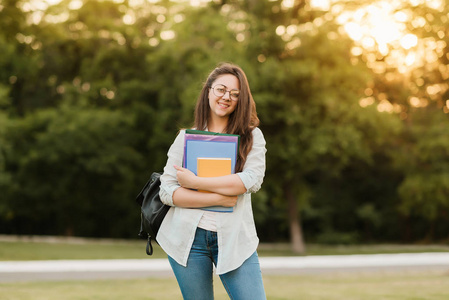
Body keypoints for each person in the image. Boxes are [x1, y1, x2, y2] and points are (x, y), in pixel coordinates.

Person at [158, 62, 267, 300]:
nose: (226, 96)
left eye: (235, 94)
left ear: (241, 100)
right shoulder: (185, 137)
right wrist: (217, 198)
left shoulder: (251, 136)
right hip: (188, 239)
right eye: (221, 89)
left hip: (236, 239)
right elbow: (166, 191)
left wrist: (196, 181)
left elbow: (251, 179)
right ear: (209, 91)